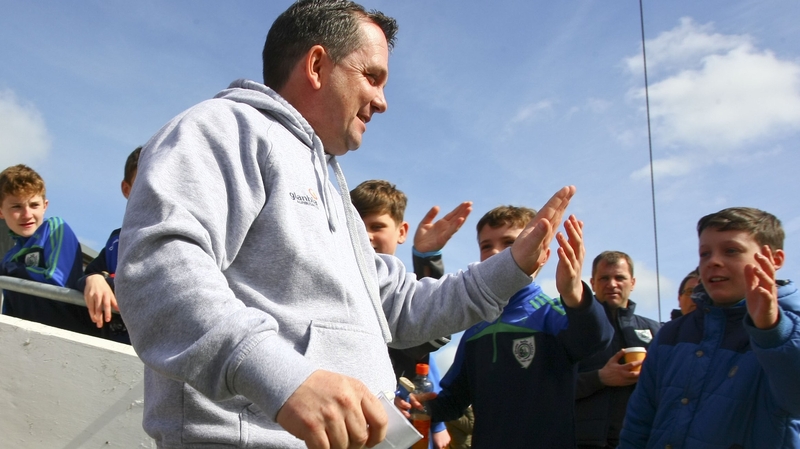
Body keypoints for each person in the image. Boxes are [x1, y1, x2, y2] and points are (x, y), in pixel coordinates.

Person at [115, 1, 576, 448]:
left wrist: (512, 266)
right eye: (372, 77)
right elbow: (157, 267)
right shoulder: (224, 127)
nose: (382, 101)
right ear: (317, 65)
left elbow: (399, 304)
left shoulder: (335, 187)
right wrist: (285, 380)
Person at [414, 207, 612, 448]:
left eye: (510, 242)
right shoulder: (476, 326)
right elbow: (454, 399)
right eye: (486, 246)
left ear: (543, 255)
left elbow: (594, 339)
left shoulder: (552, 314)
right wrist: (420, 407)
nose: (496, 252)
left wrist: (573, 293)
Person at [620, 207, 800, 448]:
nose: (714, 261)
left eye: (731, 251)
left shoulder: (790, 327)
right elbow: (639, 422)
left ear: (775, 260)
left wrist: (772, 332)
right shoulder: (673, 333)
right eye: (705, 253)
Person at [351, 179, 472, 449]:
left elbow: (427, 330)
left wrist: (427, 258)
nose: (367, 236)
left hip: (397, 429)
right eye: (358, 225)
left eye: (377, 226)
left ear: (401, 231)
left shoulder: (399, 293)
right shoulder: (334, 284)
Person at [574, 251, 662, 449]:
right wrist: (600, 378)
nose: (612, 284)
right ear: (593, 283)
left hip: (640, 441)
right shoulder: (572, 328)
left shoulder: (657, 331)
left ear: (633, 282)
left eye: (620, 277)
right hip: (583, 442)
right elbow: (552, 388)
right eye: (604, 278)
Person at [0, 164, 98, 336]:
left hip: (68, 337)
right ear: (1, 211)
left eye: (34, 205)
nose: (27, 214)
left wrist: (10, 269)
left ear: (45, 205)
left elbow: (57, 280)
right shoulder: (9, 257)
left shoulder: (55, 228)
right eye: (16, 207)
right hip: (26, 340)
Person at [74, 146, 141, 344]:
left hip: (153, 358)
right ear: (126, 189)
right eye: (142, 183)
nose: (152, 189)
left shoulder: (174, 236)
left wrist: (107, 281)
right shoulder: (115, 241)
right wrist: (93, 278)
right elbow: (84, 277)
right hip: (111, 351)